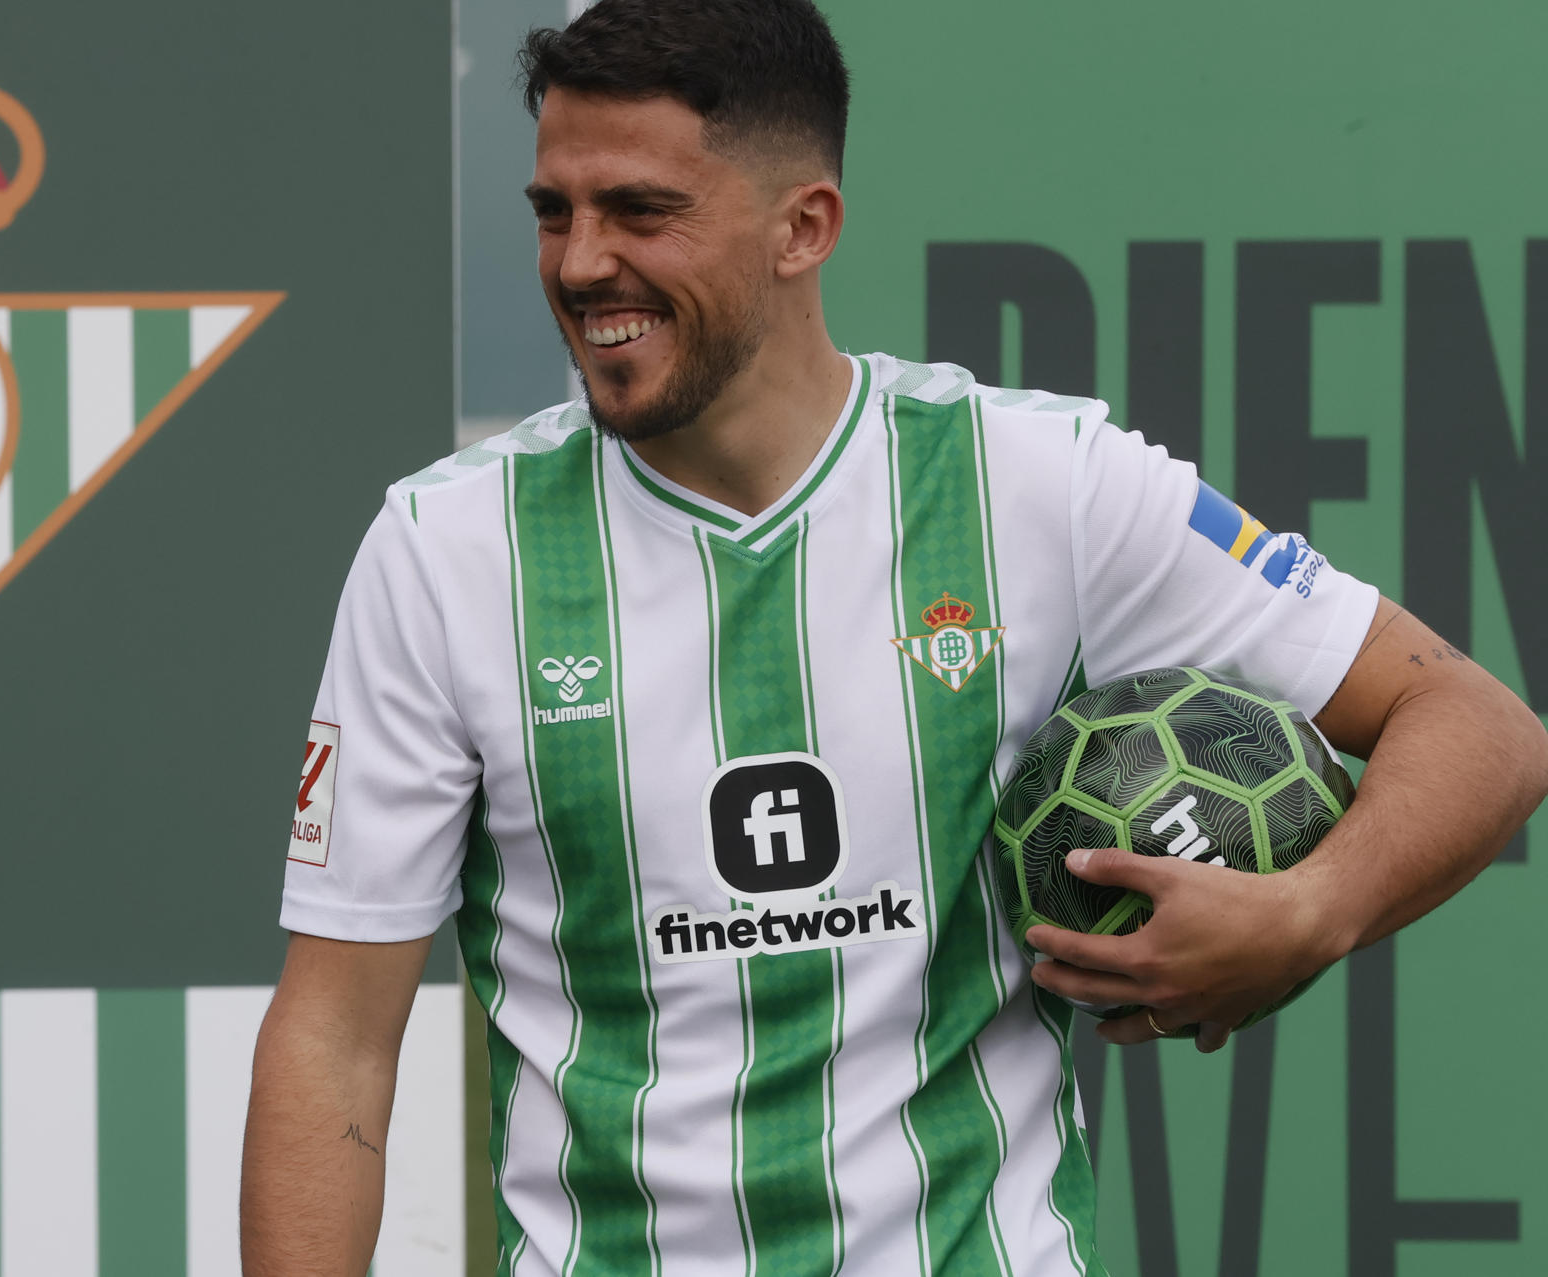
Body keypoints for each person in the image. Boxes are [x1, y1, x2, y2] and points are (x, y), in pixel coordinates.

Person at [240, 1, 1548, 1272]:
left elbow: (1480, 728)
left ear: (803, 226)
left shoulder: (1040, 482)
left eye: (641, 212)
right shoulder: (444, 549)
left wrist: (1307, 911)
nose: (581, 263)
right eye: (554, 212)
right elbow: (336, 1040)